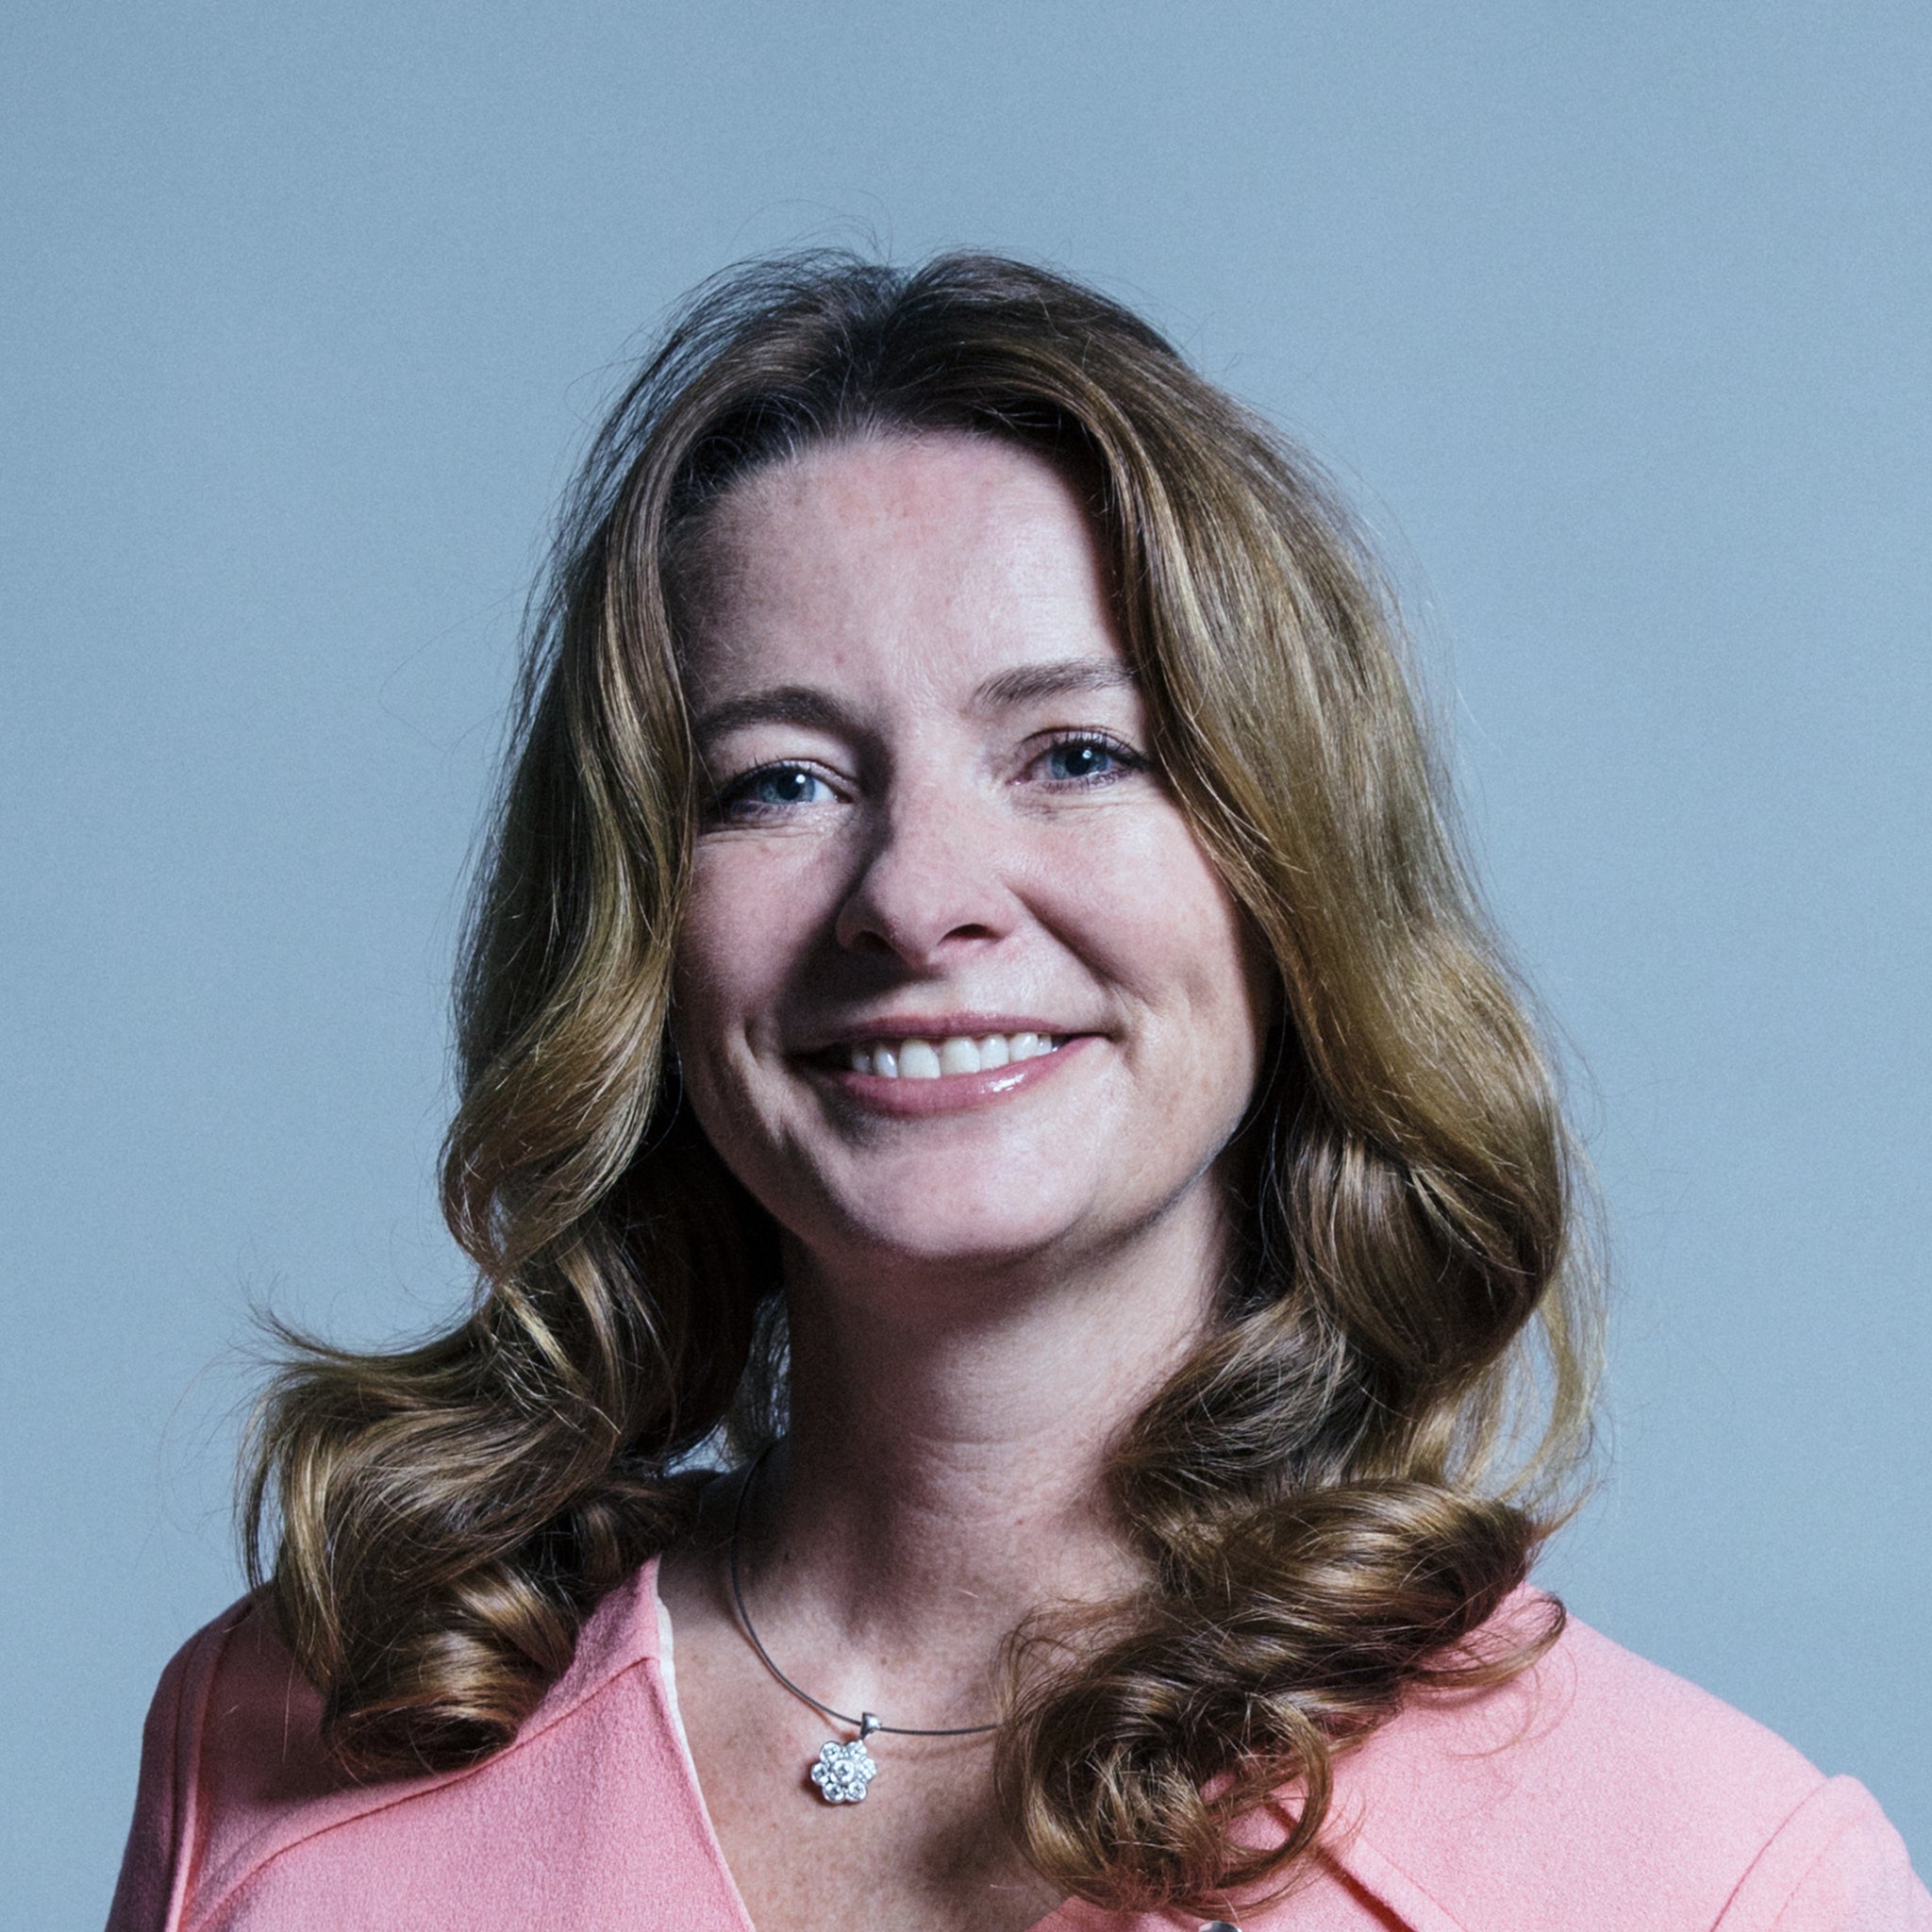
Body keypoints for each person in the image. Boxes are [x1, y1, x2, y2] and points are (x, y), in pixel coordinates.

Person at [108, 253, 1928, 1932]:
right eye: (777, 782)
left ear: (1285, 878)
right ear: (641, 927)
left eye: (1074, 754)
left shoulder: (1717, 1878)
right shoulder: (280, 1750)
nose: (918, 897)